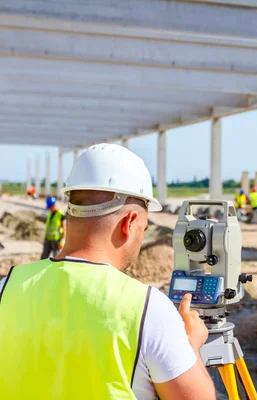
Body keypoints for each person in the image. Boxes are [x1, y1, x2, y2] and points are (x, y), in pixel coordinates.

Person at [0, 144, 216, 400]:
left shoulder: (6, 288)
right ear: (129, 223)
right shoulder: (148, 309)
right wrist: (189, 344)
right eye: (144, 229)